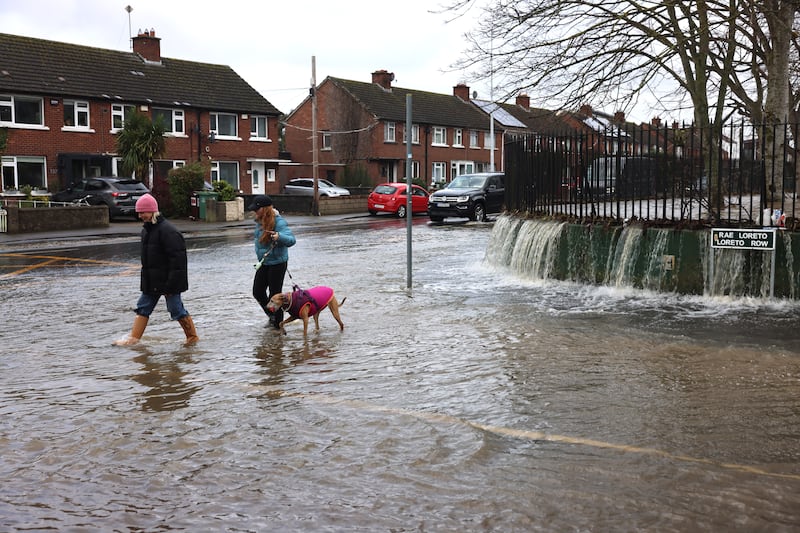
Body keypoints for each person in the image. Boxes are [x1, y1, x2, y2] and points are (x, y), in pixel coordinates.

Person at [114, 193, 199, 345]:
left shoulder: (169, 231)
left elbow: (178, 262)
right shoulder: (146, 230)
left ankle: (192, 338)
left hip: (169, 282)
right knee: (143, 307)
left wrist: (171, 286)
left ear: (153, 211)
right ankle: (133, 339)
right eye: (139, 212)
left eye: (143, 212)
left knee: (176, 309)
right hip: (152, 281)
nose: (140, 216)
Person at [249, 194, 296, 328]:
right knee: (257, 292)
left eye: (257, 209)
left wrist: (278, 236)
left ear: (265, 209)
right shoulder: (259, 222)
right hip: (264, 262)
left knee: (275, 295)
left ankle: (277, 325)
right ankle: (272, 316)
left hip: (278, 263)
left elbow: (292, 240)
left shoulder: (278, 222)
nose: (254, 212)